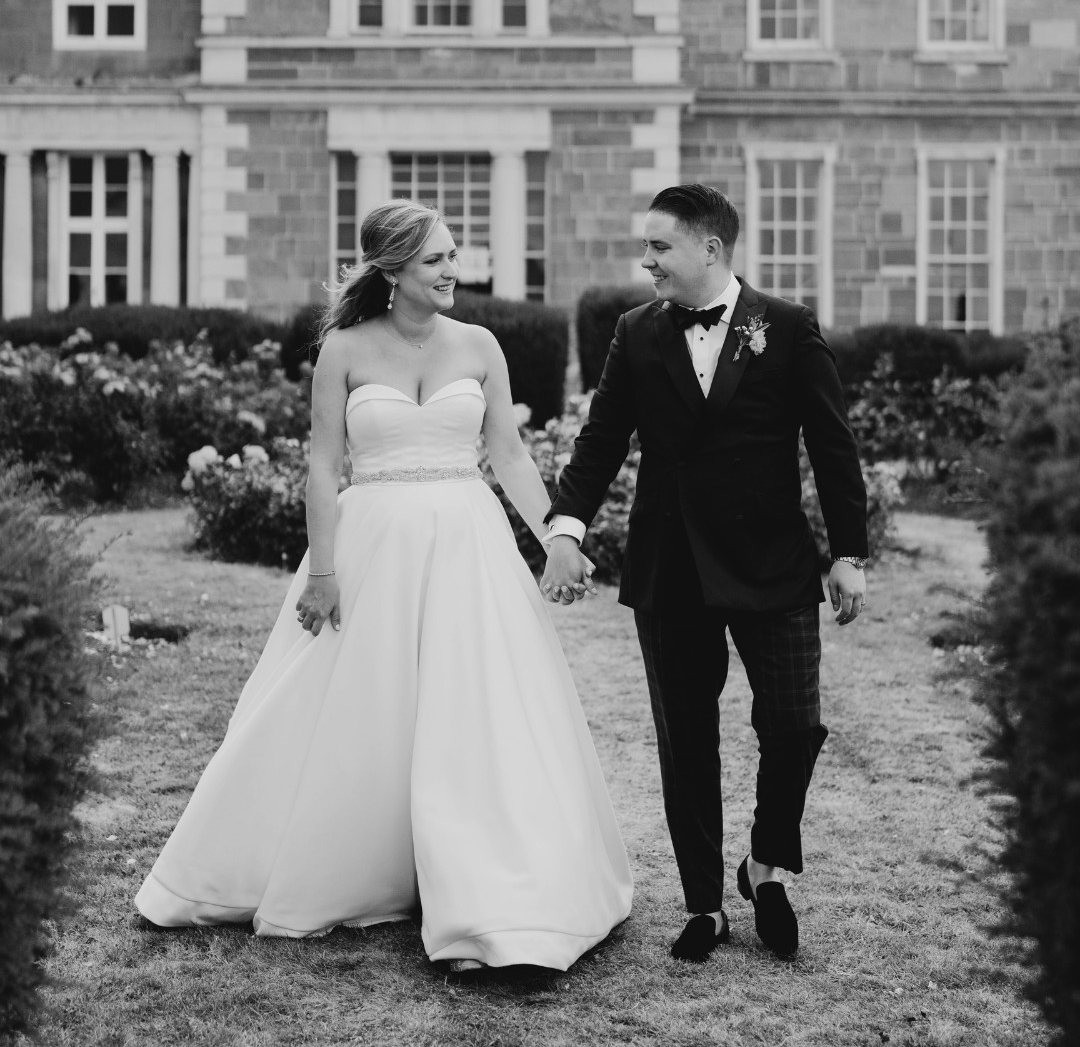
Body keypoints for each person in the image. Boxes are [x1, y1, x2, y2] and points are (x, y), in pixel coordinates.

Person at [136, 200, 633, 972]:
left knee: (478, 711)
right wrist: (324, 570)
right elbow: (325, 467)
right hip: (370, 552)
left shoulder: (481, 346)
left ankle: (492, 892)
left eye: (454, 255)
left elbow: (508, 454)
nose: (453, 270)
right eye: (435, 259)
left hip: (469, 548)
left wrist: (556, 538)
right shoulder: (343, 349)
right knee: (359, 709)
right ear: (393, 270)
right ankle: (341, 862)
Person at [540, 183, 867, 964]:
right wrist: (564, 528)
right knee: (686, 741)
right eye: (645, 247)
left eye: (658, 247)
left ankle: (763, 865)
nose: (644, 260)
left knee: (794, 724)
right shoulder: (635, 333)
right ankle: (704, 905)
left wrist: (848, 555)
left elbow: (833, 445)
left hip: (774, 564)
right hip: (672, 567)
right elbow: (601, 439)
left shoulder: (784, 329)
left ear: (709, 249)